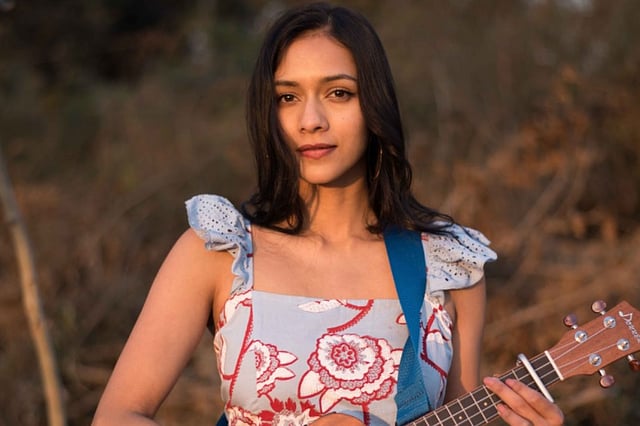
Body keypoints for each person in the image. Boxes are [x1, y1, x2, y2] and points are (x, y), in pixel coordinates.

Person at [93, 3, 565, 425]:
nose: (311, 121)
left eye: (339, 93)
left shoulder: (447, 265)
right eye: (288, 97)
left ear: (374, 103)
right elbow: (117, 415)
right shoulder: (221, 250)